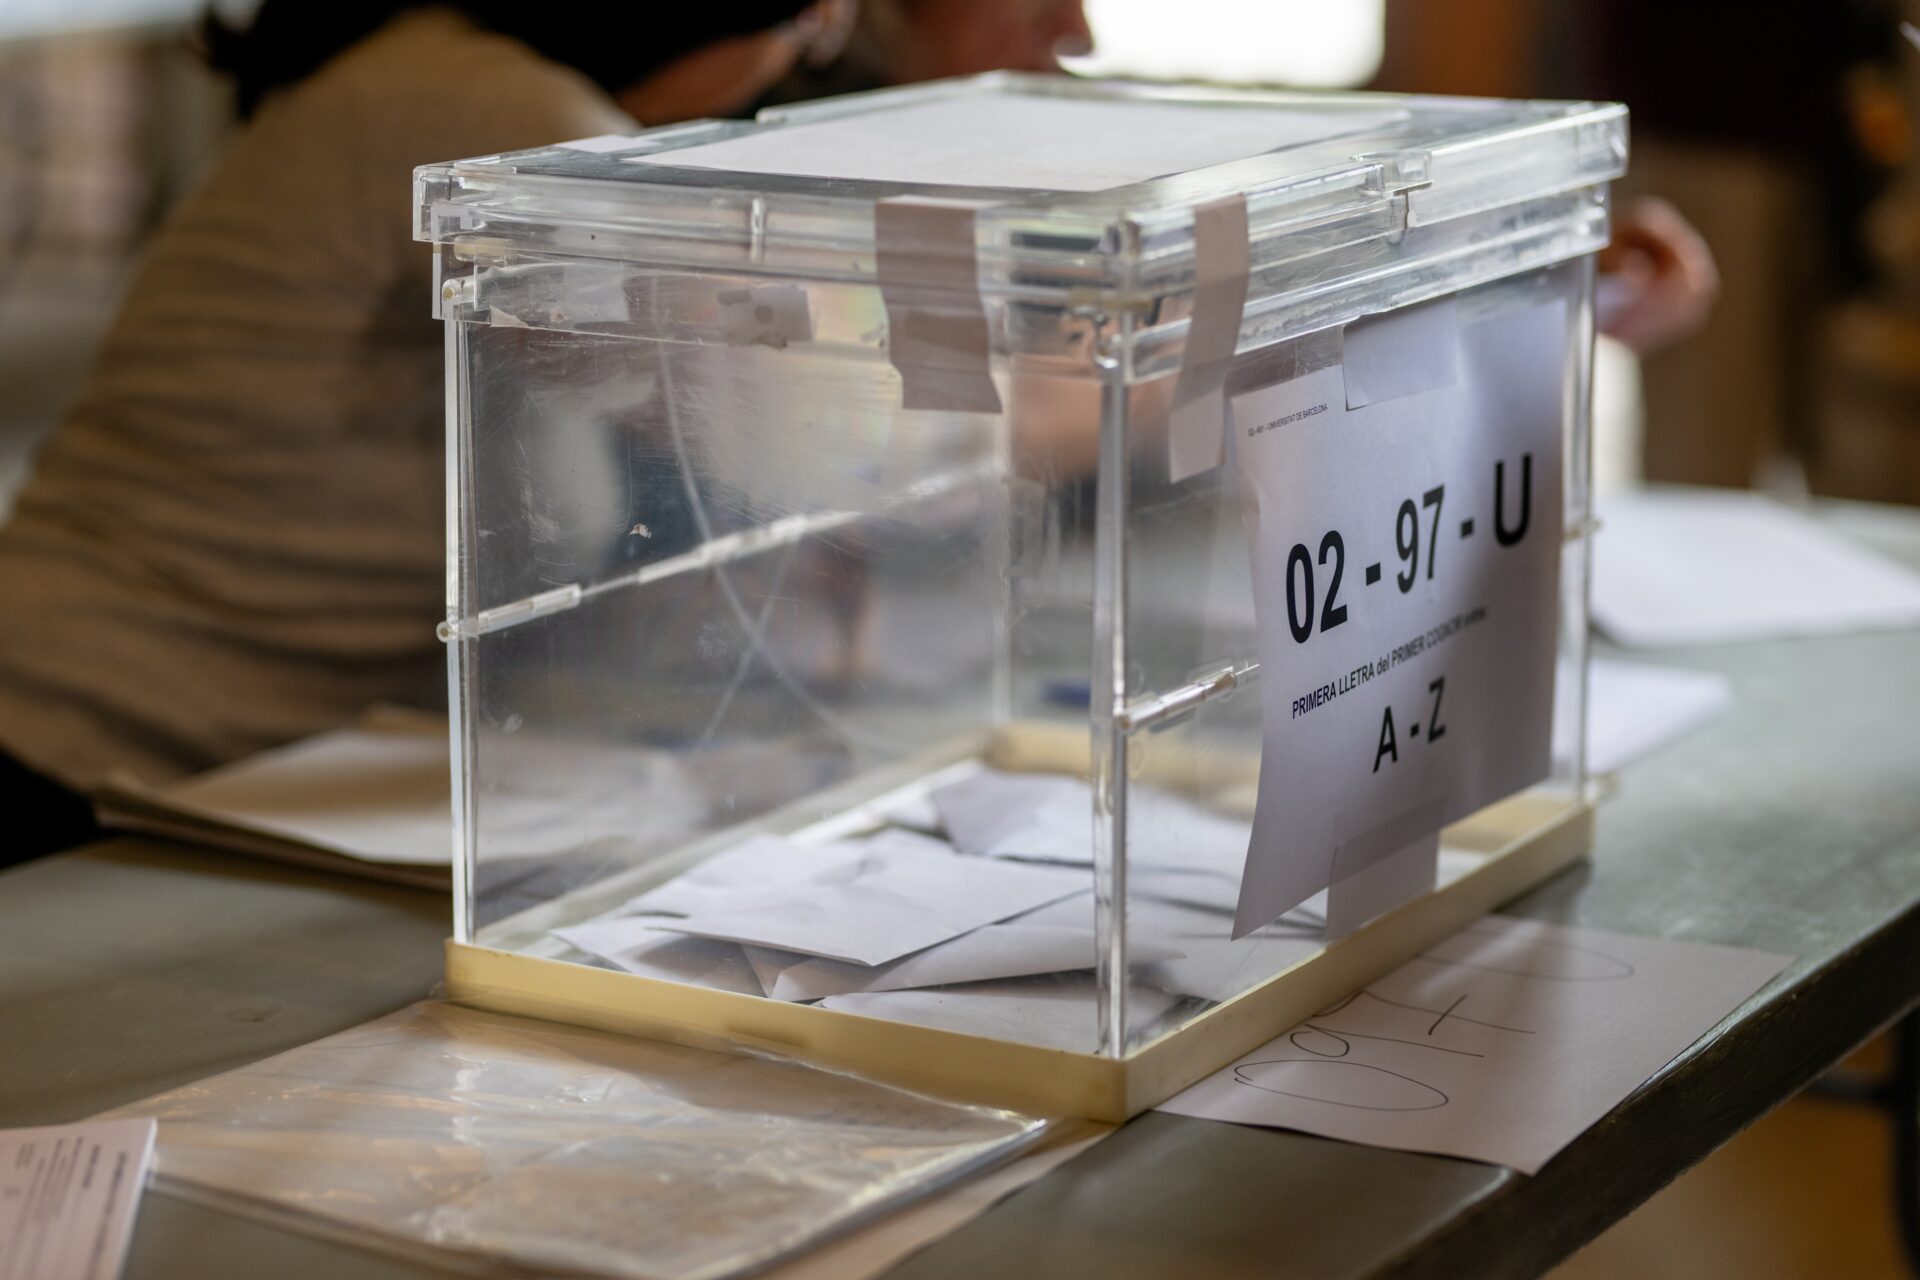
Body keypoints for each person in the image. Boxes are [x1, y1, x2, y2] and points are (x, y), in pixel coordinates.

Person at [0, 2, 840, 863]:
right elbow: (755, 420)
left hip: (234, 736)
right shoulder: (499, 108)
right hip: (106, 737)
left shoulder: (443, 68)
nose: (802, 59)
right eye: (811, 23)